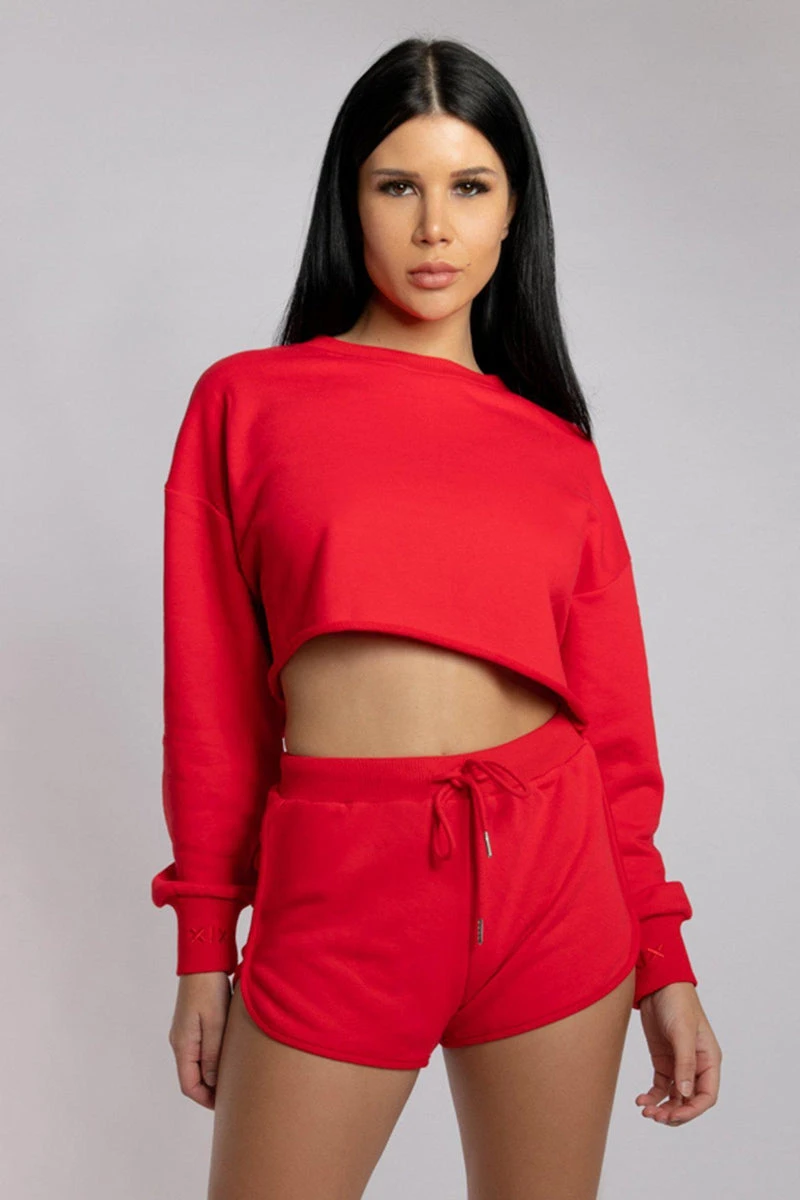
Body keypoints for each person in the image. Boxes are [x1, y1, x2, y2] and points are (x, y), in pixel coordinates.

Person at [151, 36, 722, 1200]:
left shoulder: (556, 452)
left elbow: (615, 735)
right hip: (340, 894)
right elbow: (210, 706)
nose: (432, 227)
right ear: (348, 201)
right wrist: (205, 945)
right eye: (395, 185)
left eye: (468, 187)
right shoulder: (246, 404)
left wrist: (661, 955)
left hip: (554, 887)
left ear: (512, 212)